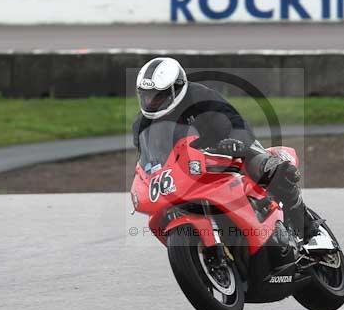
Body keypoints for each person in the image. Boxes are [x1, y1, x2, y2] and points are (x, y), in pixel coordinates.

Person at [132, 57, 333, 251]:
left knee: (271, 169)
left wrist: (236, 143)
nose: (151, 101)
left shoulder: (201, 97)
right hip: (188, 170)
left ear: (176, 88)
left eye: (158, 95)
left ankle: (309, 232)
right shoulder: (141, 125)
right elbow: (149, 157)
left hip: (228, 151)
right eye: (146, 95)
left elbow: (235, 123)